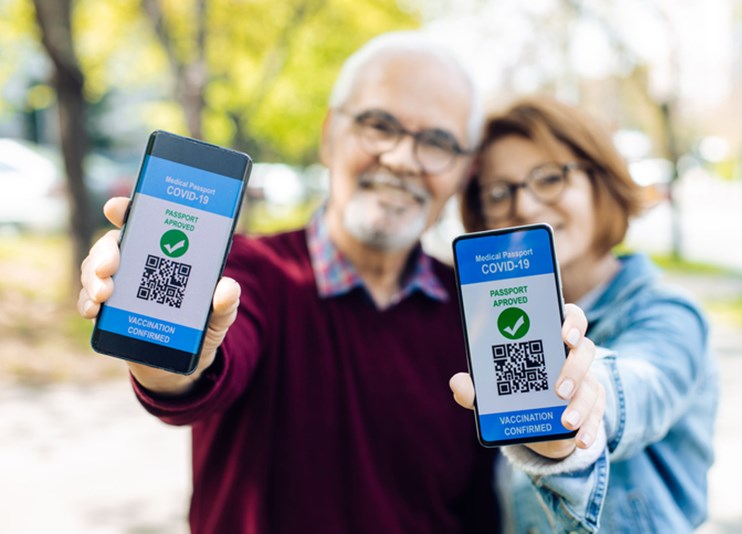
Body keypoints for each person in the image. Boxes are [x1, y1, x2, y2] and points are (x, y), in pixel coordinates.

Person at [78, 31, 513, 533]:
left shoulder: (480, 311)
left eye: (437, 142)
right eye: (379, 125)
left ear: (465, 171)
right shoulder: (249, 271)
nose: (400, 159)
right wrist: (161, 343)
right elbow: (193, 374)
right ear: (329, 135)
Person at [449, 95, 718, 533]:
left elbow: (643, 384)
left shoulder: (669, 314)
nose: (524, 206)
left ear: (600, 182)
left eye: (549, 178)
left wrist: (578, 406)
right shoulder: (485, 328)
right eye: (499, 192)